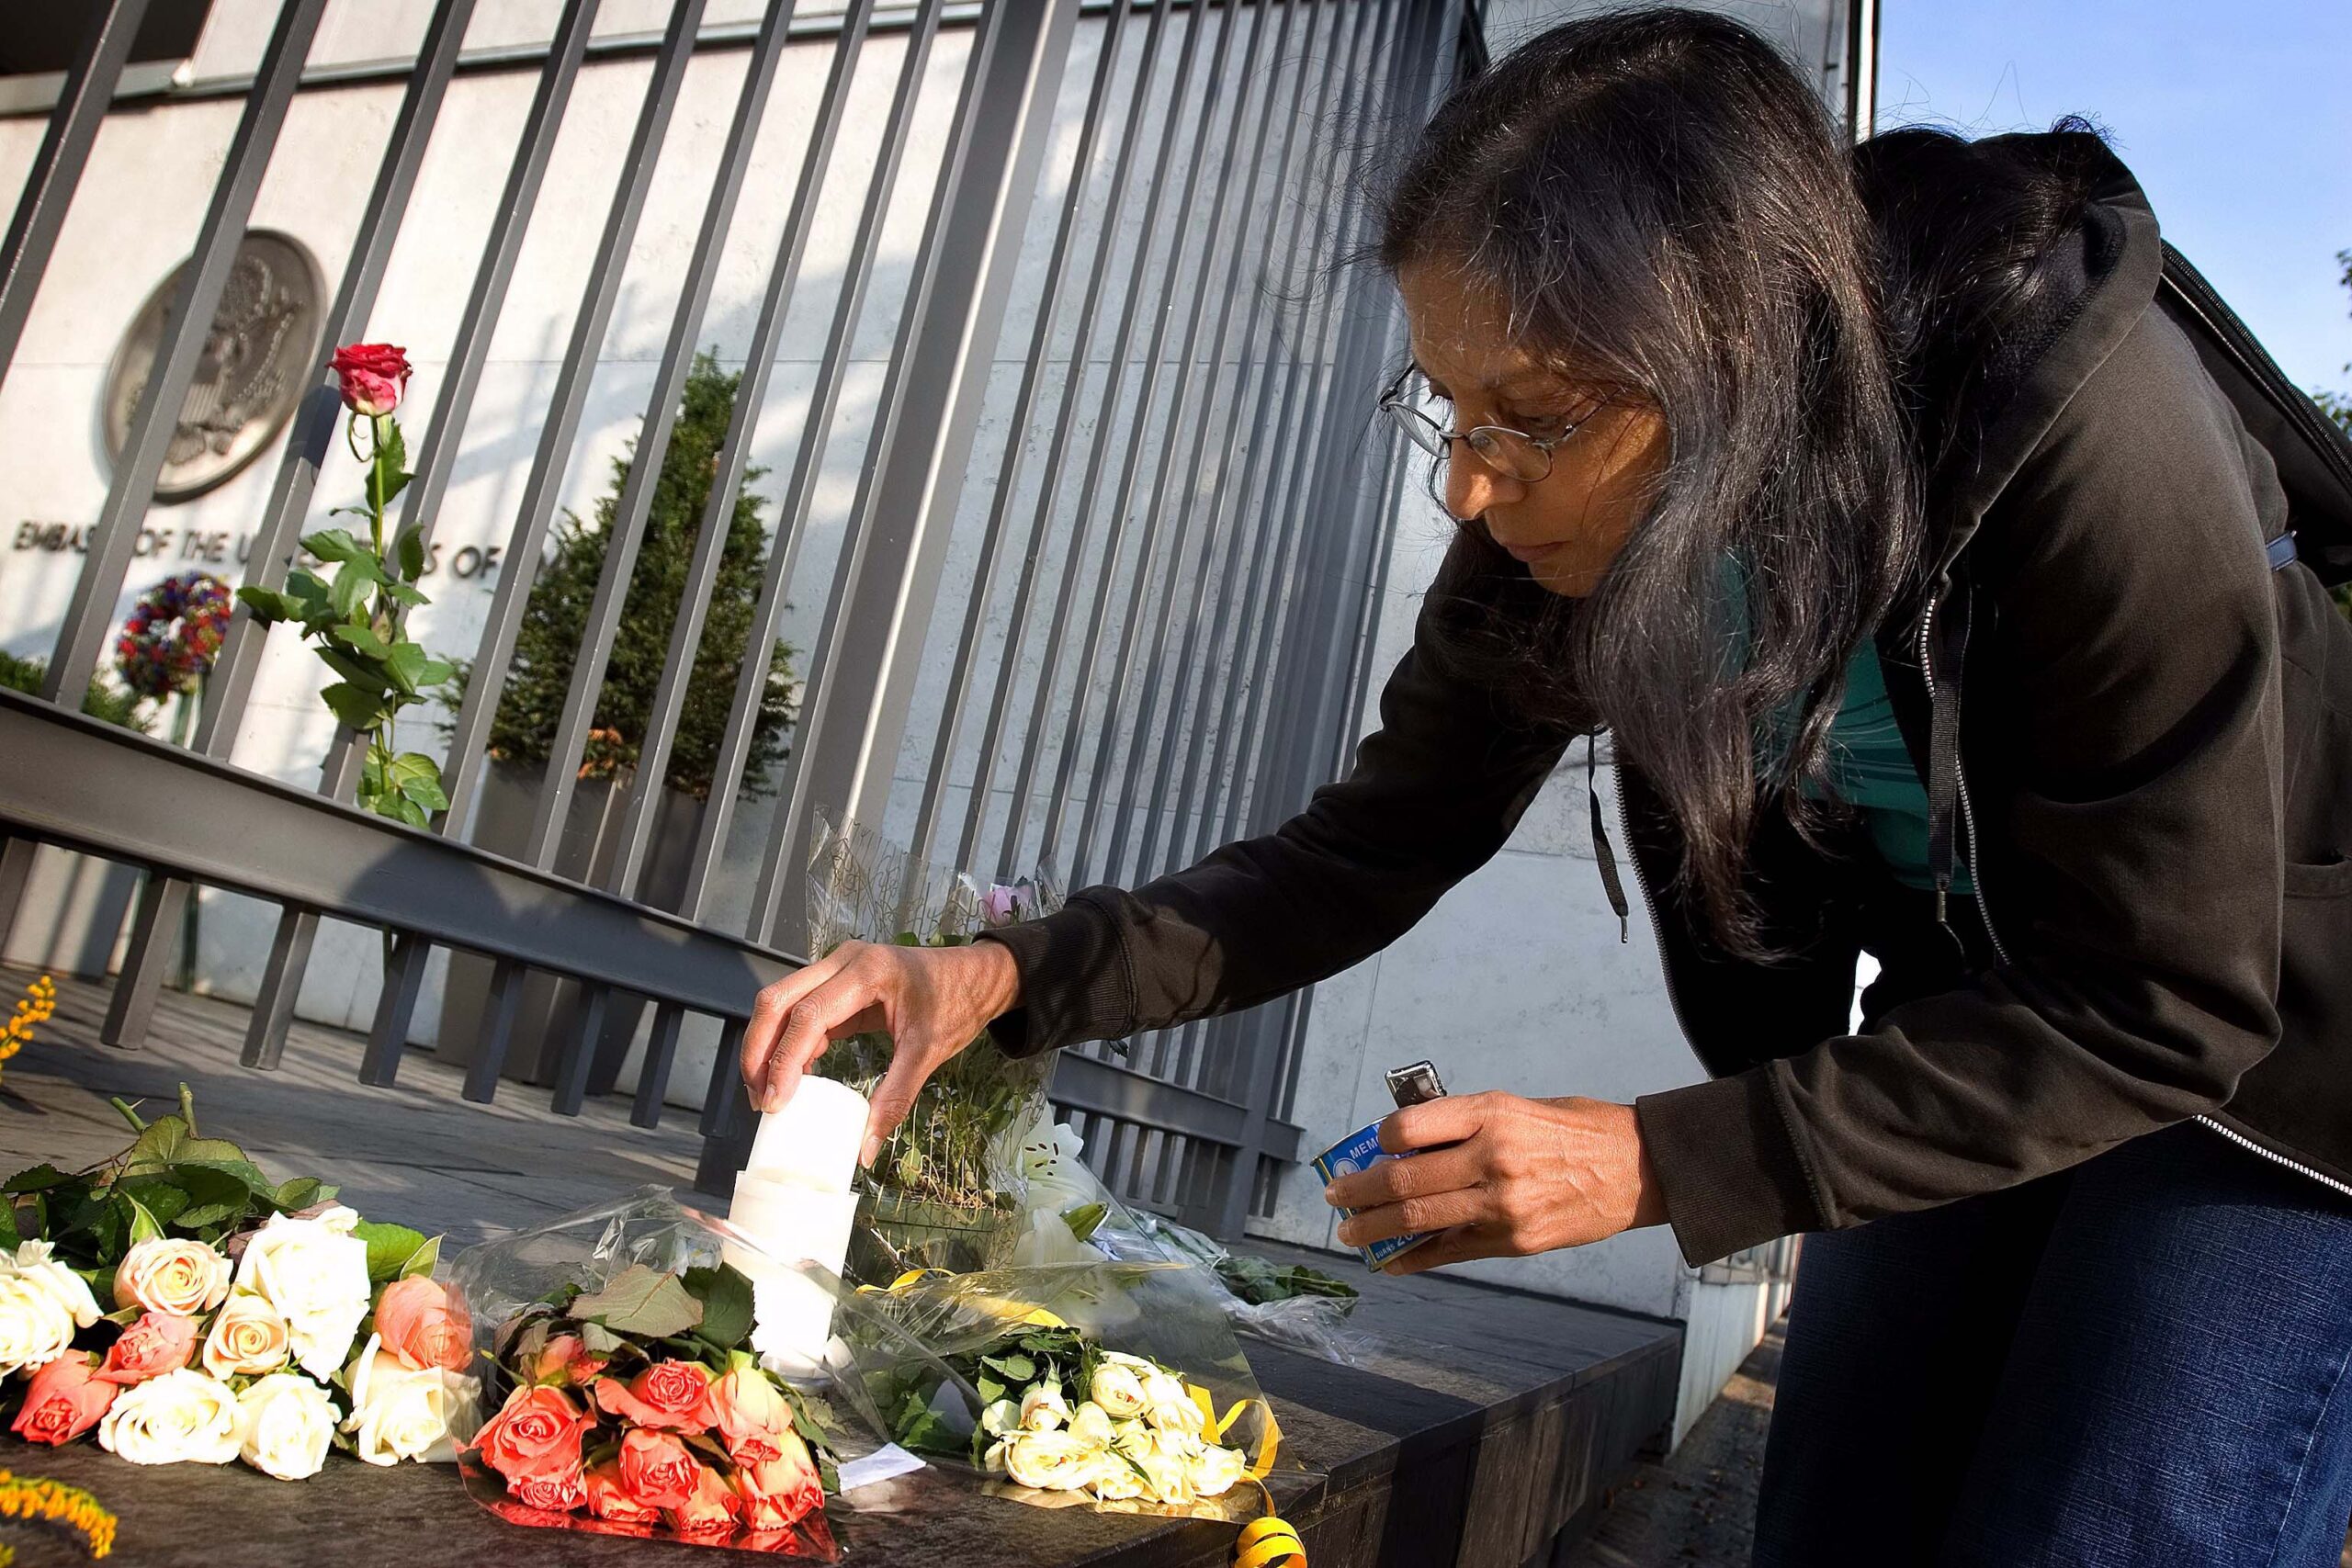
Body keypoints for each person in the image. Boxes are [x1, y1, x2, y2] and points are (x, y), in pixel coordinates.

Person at [739, 10, 2352, 1563]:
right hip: (1978, 1022)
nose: (1468, 480)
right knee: (1837, 1525)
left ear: (1734, 371)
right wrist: (1007, 971)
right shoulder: (1556, 518)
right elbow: (1370, 847)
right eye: (1448, 406)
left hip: (2277, 1061)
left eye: (1532, 422)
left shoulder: (2093, 440)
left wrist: (1652, 1159)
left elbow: (2165, 1007)